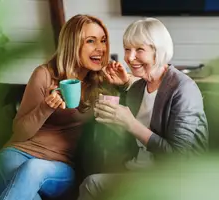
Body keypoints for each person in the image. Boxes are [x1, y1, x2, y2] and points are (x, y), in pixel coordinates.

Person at [77, 17, 209, 200]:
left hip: (173, 179)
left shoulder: (183, 89)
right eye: (127, 49)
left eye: (140, 49)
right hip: (138, 169)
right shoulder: (139, 87)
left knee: (92, 185)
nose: (130, 58)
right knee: (91, 182)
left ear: (158, 51)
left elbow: (178, 156)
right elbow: (130, 134)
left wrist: (130, 124)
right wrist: (117, 107)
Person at [0, 14, 111, 200]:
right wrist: (45, 108)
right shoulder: (44, 75)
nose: (100, 48)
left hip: (59, 167)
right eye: (91, 41)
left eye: (103, 41)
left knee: (34, 169)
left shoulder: (101, 83)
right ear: (72, 44)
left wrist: (124, 85)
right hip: (15, 155)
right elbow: (20, 132)